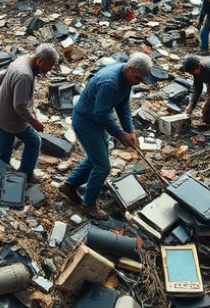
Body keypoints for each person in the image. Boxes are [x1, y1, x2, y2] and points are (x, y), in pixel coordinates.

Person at [59, 53, 154, 220]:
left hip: (95, 120)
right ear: (130, 68)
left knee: (96, 158)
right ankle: (89, 204)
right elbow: (101, 114)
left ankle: (69, 185)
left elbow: (123, 106)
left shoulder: (126, 78)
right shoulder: (110, 83)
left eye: (142, 79)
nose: (139, 82)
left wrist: (130, 130)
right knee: (103, 166)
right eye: (138, 78)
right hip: (86, 122)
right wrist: (120, 134)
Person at [0, 43, 60, 179]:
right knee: (34, 141)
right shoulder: (25, 75)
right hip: (12, 120)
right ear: (39, 60)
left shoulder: (22, 60)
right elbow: (20, 105)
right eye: (46, 68)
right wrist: (34, 122)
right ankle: (26, 174)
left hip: (1, 114)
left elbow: (2, 79)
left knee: (5, 148)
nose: (46, 72)